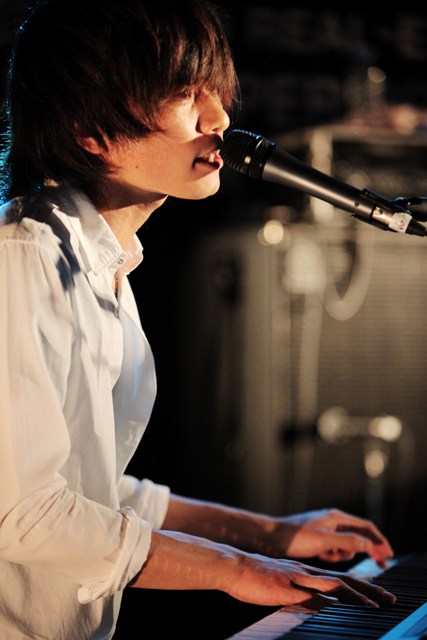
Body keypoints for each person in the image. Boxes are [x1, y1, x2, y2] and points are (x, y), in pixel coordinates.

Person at [0, 1, 396, 638]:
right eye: (186, 96)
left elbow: (94, 493)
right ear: (89, 131)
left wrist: (270, 533)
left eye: (216, 92)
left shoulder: (99, 262)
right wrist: (233, 568)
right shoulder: (22, 257)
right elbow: (24, 513)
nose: (220, 119)